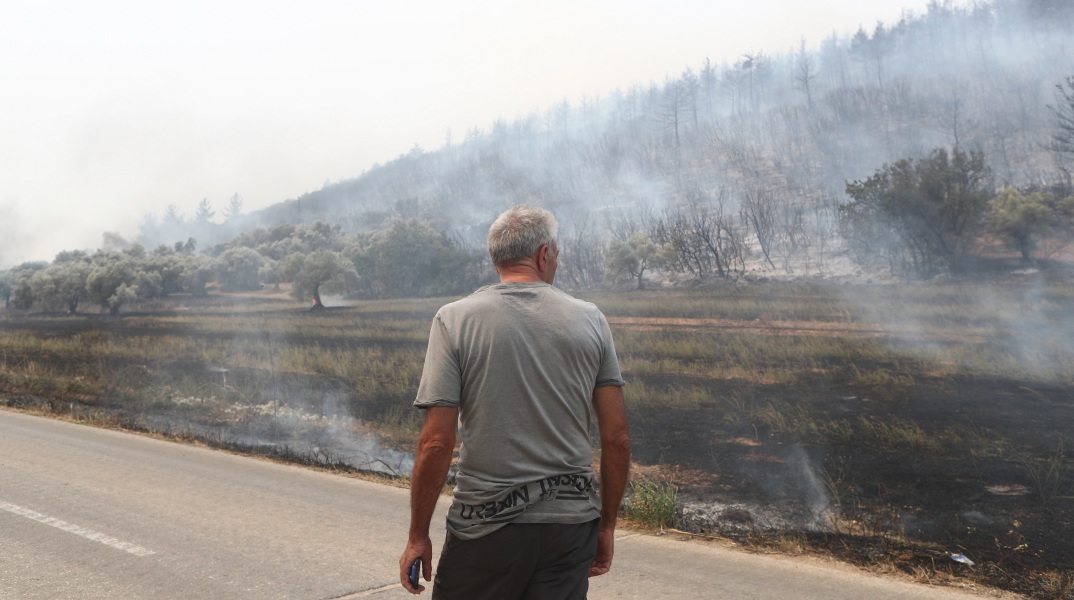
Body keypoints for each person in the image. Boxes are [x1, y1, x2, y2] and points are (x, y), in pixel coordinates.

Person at [398, 205, 631, 599]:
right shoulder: (591, 319)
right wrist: (606, 526)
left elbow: (436, 442)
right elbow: (617, 437)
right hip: (570, 529)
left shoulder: (454, 319)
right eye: (556, 255)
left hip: (484, 530)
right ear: (544, 254)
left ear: (497, 258)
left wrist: (417, 536)